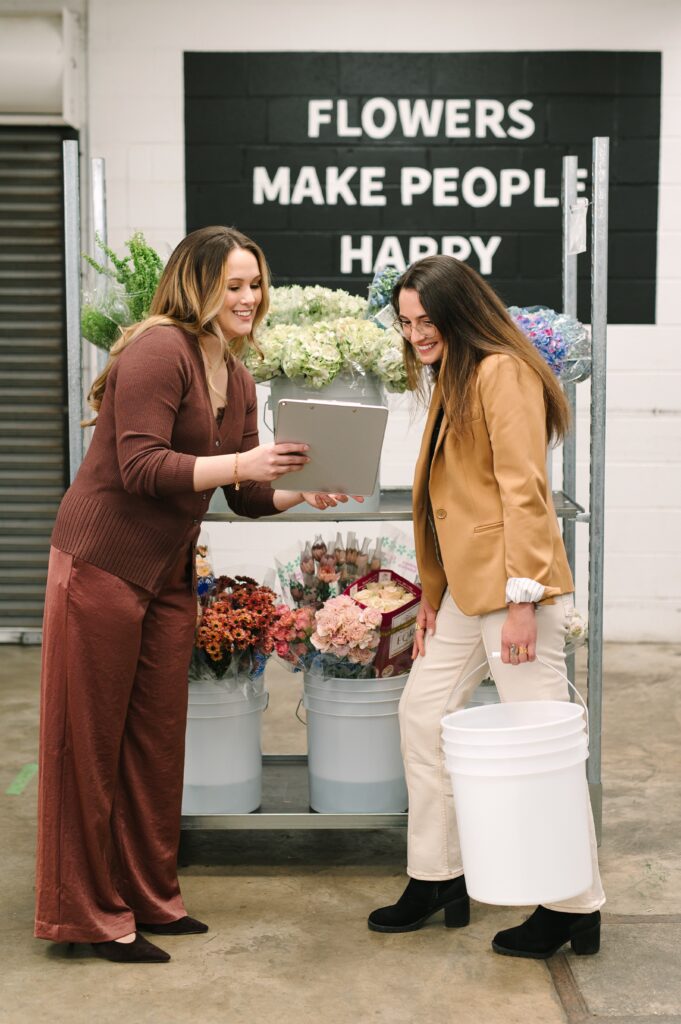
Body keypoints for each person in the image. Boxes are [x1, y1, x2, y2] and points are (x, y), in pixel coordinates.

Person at [35, 225, 357, 964]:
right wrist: (246, 457)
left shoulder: (236, 375)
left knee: (154, 744)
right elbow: (142, 466)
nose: (248, 298)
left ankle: (148, 895)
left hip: (166, 575)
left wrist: (294, 492)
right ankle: (86, 915)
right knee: (87, 745)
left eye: (255, 285)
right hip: (103, 563)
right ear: (198, 287)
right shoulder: (158, 349)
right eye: (233, 285)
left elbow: (241, 496)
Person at [368, 255, 605, 958]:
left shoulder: (502, 370)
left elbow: (521, 490)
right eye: (406, 323)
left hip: (513, 592)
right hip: (469, 596)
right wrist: (436, 594)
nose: (415, 335)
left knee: (539, 747)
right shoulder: (456, 372)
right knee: (421, 713)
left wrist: (525, 599)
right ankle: (438, 874)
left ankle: (573, 904)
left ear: (460, 312)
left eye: (425, 321)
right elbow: (450, 500)